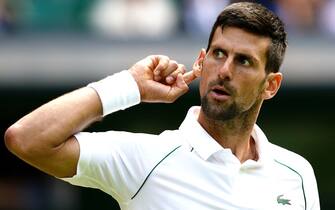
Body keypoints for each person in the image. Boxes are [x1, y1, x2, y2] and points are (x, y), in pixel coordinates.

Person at [4, 2, 320, 210]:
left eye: (244, 61)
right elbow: (26, 138)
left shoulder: (297, 174)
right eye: (219, 54)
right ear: (201, 61)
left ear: (271, 85)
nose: (224, 70)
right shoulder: (146, 159)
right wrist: (128, 86)